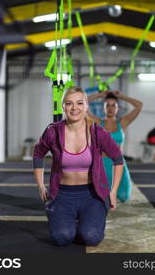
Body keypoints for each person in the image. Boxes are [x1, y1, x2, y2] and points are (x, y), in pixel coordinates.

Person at [33, 86, 124, 246]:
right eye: (69, 103)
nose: (74, 108)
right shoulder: (52, 131)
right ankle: (64, 220)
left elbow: (118, 158)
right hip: (62, 195)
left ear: (86, 106)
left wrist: (113, 190)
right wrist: (40, 185)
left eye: (79, 103)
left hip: (91, 195)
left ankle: (87, 221)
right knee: (62, 237)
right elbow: (38, 154)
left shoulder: (97, 132)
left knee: (91, 237)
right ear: (63, 107)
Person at [87, 90, 142, 202]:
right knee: (100, 197)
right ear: (103, 108)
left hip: (119, 164)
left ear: (118, 108)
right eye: (108, 105)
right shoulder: (97, 122)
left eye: (113, 105)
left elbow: (139, 105)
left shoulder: (122, 123)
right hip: (102, 163)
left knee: (123, 196)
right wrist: (99, 95)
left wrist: (121, 96)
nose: (111, 108)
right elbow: (82, 104)